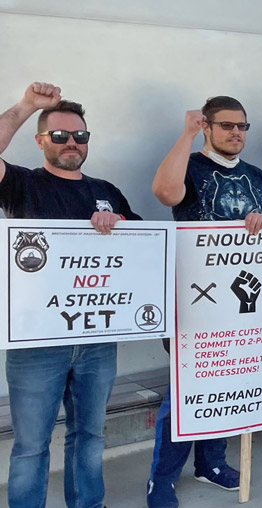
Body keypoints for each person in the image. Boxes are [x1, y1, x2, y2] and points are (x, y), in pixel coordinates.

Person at [0, 82, 141, 508]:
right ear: (41, 140)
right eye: (60, 136)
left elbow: (141, 249)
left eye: (80, 135)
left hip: (97, 340)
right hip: (37, 342)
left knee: (90, 435)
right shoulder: (23, 185)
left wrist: (118, 222)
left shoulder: (107, 190)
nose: (71, 143)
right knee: (31, 445)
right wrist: (26, 105)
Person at [149, 96, 262, 508]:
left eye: (242, 126)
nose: (236, 133)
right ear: (206, 127)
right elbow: (165, 194)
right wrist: (186, 135)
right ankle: (162, 478)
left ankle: (211, 463)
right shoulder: (188, 165)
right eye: (226, 125)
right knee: (186, 394)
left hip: (243, 301)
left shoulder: (257, 176)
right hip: (194, 301)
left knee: (230, 384)